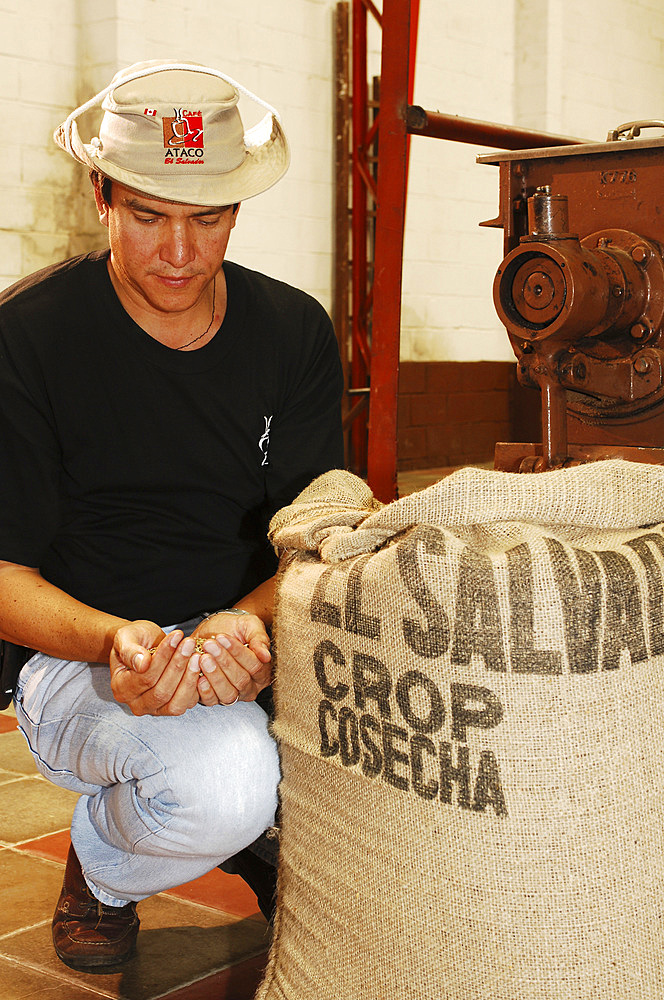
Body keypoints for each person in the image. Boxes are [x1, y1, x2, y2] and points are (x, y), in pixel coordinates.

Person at [0, 60, 343, 972]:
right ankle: (107, 868)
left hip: (248, 636)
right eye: (150, 215)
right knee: (226, 786)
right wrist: (124, 644)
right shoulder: (28, 337)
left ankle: (251, 827)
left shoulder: (295, 331)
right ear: (102, 195)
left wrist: (247, 621)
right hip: (84, 655)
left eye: (208, 218)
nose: (181, 253)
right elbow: (3, 580)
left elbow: (320, 534)